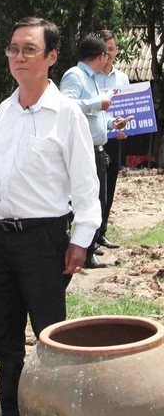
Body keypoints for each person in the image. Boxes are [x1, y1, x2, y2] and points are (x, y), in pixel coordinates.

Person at [0, 17, 101, 416]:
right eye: (13, 49)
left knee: (50, 335)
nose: (19, 57)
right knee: (3, 335)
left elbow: (86, 184)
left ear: (50, 57)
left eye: (29, 49)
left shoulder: (65, 114)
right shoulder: (6, 110)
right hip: (2, 239)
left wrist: (81, 239)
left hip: (45, 240)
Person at [59, 33, 129, 268]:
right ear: (100, 55)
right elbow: (65, 105)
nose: (108, 58)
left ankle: (88, 249)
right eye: (106, 54)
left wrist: (111, 123)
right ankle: (78, 250)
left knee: (97, 200)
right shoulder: (75, 76)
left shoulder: (93, 79)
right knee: (83, 200)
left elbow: (96, 116)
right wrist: (96, 104)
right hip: (82, 150)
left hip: (97, 148)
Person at [95, 29, 131, 251]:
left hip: (115, 139)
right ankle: (90, 237)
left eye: (111, 49)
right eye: (104, 50)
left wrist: (127, 129)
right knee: (94, 189)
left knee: (110, 187)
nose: (108, 54)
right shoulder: (92, 76)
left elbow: (129, 110)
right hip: (96, 139)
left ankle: (102, 233)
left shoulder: (123, 78)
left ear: (117, 50)